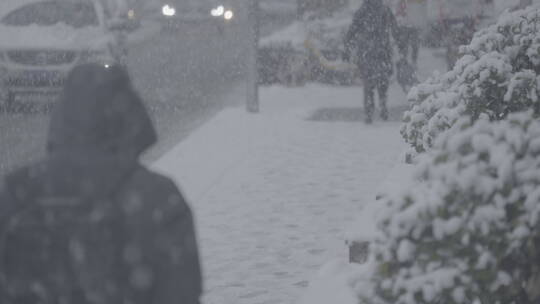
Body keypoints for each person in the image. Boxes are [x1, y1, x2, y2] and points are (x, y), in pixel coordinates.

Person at [0, 64, 202, 304]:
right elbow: (180, 292)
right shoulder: (155, 195)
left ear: (60, 118)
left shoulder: (15, 190)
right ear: (128, 119)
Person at [344, 0, 399, 124]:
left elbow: (353, 29)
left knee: (368, 82)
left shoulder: (362, 10)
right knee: (383, 79)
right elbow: (394, 28)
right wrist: (399, 43)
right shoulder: (385, 9)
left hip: (366, 50)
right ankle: (383, 102)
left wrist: (347, 46)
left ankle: (369, 112)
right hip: (382, 49)